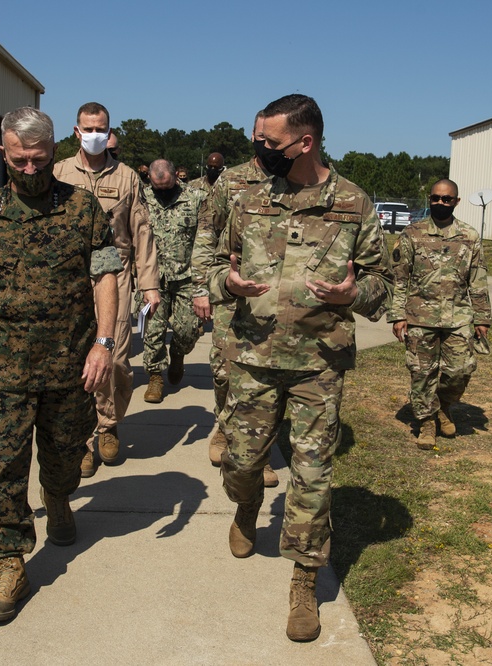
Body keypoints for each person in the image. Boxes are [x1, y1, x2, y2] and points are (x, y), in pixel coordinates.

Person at [208, 94, 392, 642]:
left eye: (270, 143)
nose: (260, 151)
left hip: (319, 363)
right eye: (258, 141)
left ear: (305, 142)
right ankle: (246, 507)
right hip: (254, 359)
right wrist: (228, 284)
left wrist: (352, 292)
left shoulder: (354, 203)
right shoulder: (250, 197)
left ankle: (304, 579)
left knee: (313, 477)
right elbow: (217, 261)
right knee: (241, 463)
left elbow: (383, 286)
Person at [0, 106, 122, 623]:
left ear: (53, 153)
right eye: (19, 160)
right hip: (2, 367)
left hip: (70, 363)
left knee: (66, 453)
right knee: (2, 464)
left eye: (39, 159)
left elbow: (105, 277)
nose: (29, 169)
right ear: (3, 152)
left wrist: (104, 343)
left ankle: (59, 494)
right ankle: (9, 561)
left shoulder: (83, 208)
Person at [54, 102, 161, 476]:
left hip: (115, 277)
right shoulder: (59, 173)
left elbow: (142, 232)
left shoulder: (128, 177)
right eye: (88, 128)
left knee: (113, 360)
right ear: (76, 130)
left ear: (109, 131)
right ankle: (85, 438)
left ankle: (109, 424)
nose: (95, 135)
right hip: (71, 279)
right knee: (78, 360)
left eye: (101, 128)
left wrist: (149, 285)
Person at [191, 112, 278, 488]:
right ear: (252, 136)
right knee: (225, 371)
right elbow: (207, 232)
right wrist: (201, 287)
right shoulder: (230, 180)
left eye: (272, 137)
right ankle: (224, 428)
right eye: (261, 136)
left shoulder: (293, 180)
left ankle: (258, 453)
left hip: (274, 297)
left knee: (265, 376)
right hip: (231, 291)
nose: (266, 143)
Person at [387, 179, 491, 450]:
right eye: (435, 198)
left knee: (460, 371)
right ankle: (427, 422)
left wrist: (482, 318)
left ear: (456, 201)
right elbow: (399, 278)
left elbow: (478, 279)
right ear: (429, 200)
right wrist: (398, 315)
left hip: (458, 317)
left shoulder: (469, 236)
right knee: (422, 373)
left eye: (446, 199)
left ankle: (444, 406)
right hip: (420, 317)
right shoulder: (412, 233)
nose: (440, 203)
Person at [139, 159, 206, 403]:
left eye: (168, 186)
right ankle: (155, 376)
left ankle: (178, 353)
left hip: (186, 277)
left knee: (187, 330)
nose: (163, 191)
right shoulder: (142, 198)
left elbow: (206, 239)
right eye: (158, 188)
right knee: (153, 331)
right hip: (153, 278)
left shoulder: (196, 198)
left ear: (176, 176)